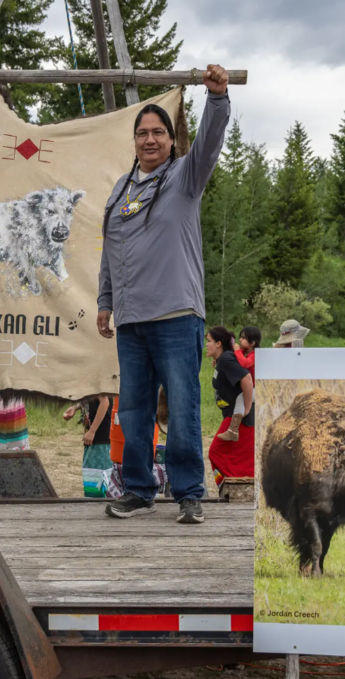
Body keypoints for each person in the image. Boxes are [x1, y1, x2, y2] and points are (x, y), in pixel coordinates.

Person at [96, 64, 231, 522]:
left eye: (159, 132)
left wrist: (215, 99)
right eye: (142, 134)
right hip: (132, 320)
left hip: (176, 314)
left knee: (182, 407)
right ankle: (138, 488)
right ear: (133, 141)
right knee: (133, 410)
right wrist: (105, 301)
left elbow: (210, 142)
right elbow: (110, 249)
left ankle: (190, 492)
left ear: (172, 140)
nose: (150, 140)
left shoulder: (184, 178)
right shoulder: (121, 190)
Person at [205, 326, 255, 490]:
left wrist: (246, 407)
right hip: (231, 416)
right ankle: (234, 490)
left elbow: (246, 378)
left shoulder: (226, 359)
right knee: (243, 458)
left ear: (219, 343)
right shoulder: (222, 360)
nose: (206, 345)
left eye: (209, 341)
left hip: (239, 419)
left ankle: (234, 489)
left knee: (216, 452)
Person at [63, 394, 112, 497]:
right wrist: (75, 407)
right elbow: (91, 397)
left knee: (98, 475)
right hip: (94, 438)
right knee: (91, 475)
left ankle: (96, 504)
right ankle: (93, 501)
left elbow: (105, 402)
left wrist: (92, 431)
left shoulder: (97, 378)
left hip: (101, 438)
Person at [219, 325, 260, 442]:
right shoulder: (243, 352)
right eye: (240, 337)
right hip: (248, 387)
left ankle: (233, 430)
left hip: (258, 388)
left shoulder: (255, 355)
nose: (240, 340)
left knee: (241, 398)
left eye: (243, 338)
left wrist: (237, 351)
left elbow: (245, 364)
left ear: (252, 343)